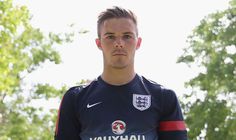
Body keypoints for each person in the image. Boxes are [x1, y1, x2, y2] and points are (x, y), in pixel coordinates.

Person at [54, 6, 188, 140]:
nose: (119, 43)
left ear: (138, 42)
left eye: (127, 36)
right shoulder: (75, 99)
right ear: (99, 43)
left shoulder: (164, 97)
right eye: (110, 37)